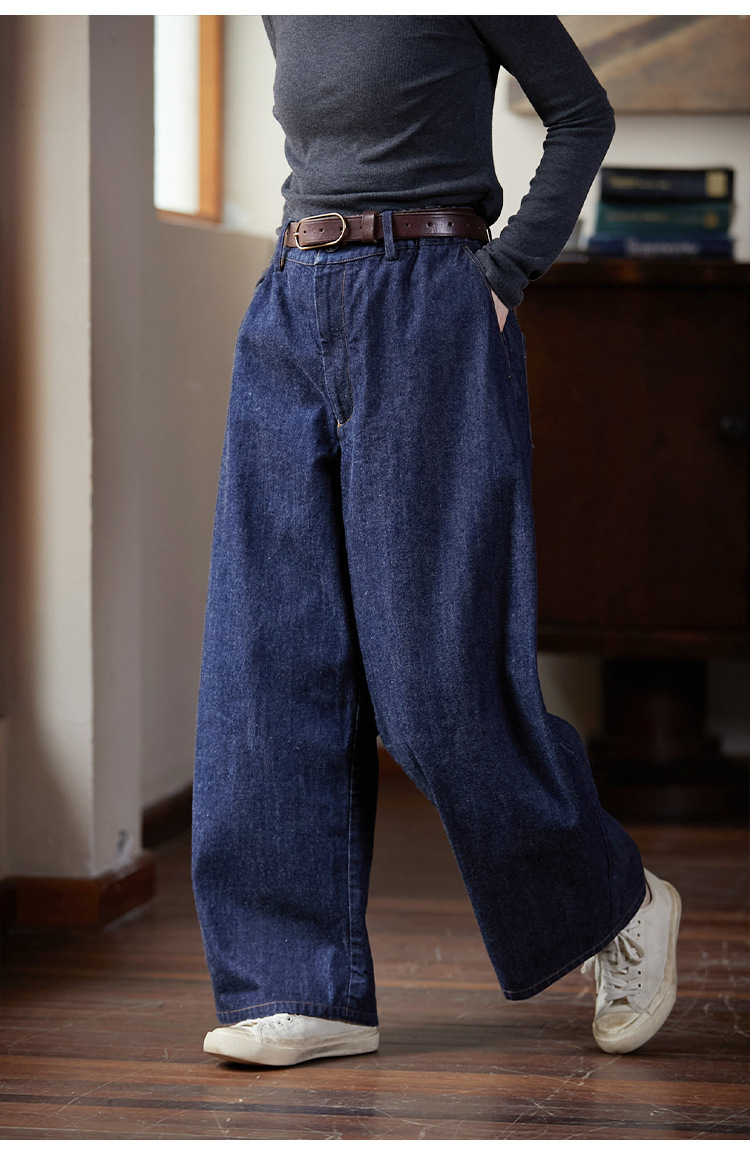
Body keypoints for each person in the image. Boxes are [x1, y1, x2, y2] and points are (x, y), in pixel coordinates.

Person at [192, 15, 681, 1068]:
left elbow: (582, 114)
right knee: (271, 658)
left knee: (436, 685)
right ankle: (298, 984)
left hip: (429, 305)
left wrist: (506, 272)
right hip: (292, 301)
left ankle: (617, 900)